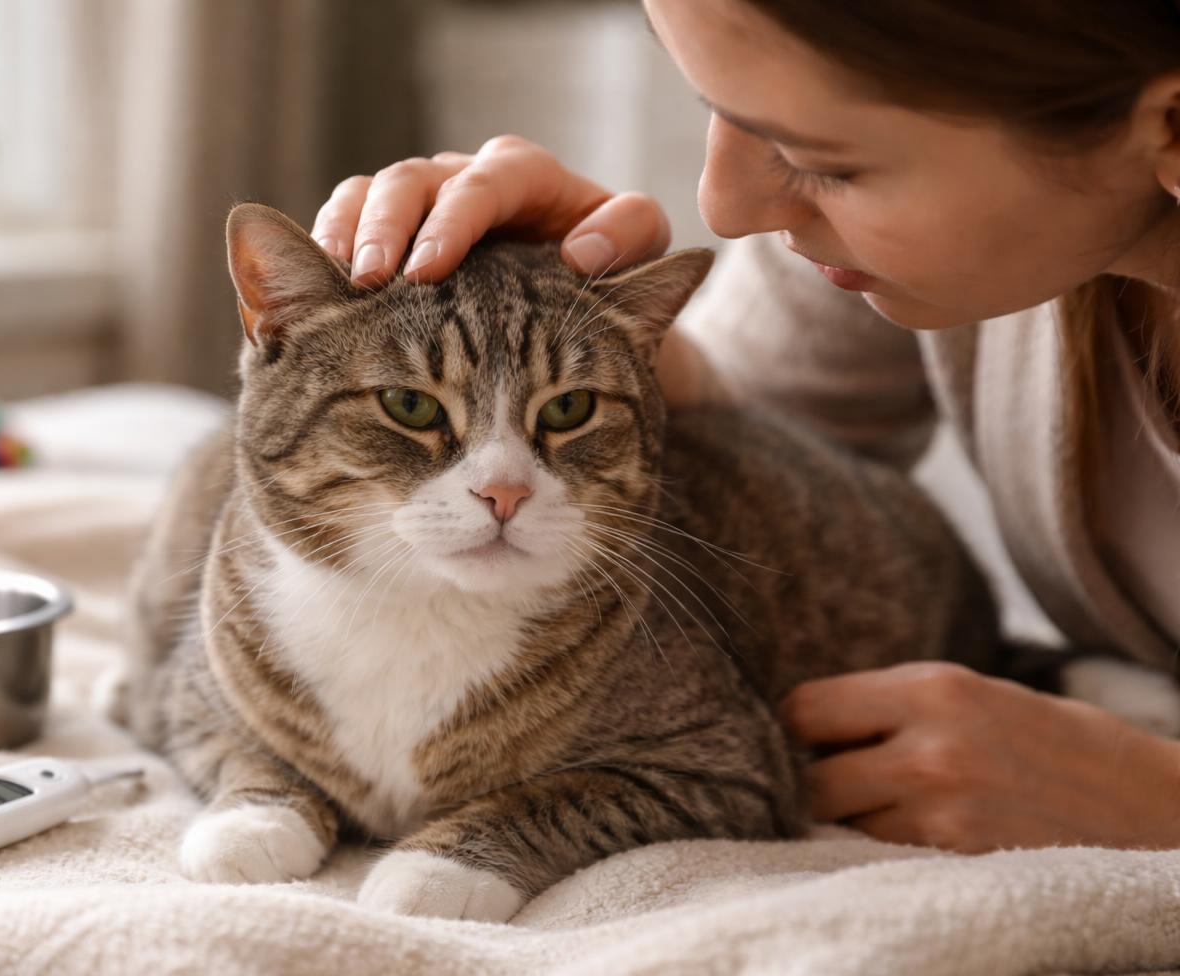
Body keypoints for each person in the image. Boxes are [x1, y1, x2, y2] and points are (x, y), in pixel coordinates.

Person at [310, 0, 1180, 853]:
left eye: (822, 162)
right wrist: (583, 337)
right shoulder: (866, 247)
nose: (722, 209)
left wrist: (1156, 803)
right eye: (716, 108)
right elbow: (766, 448)